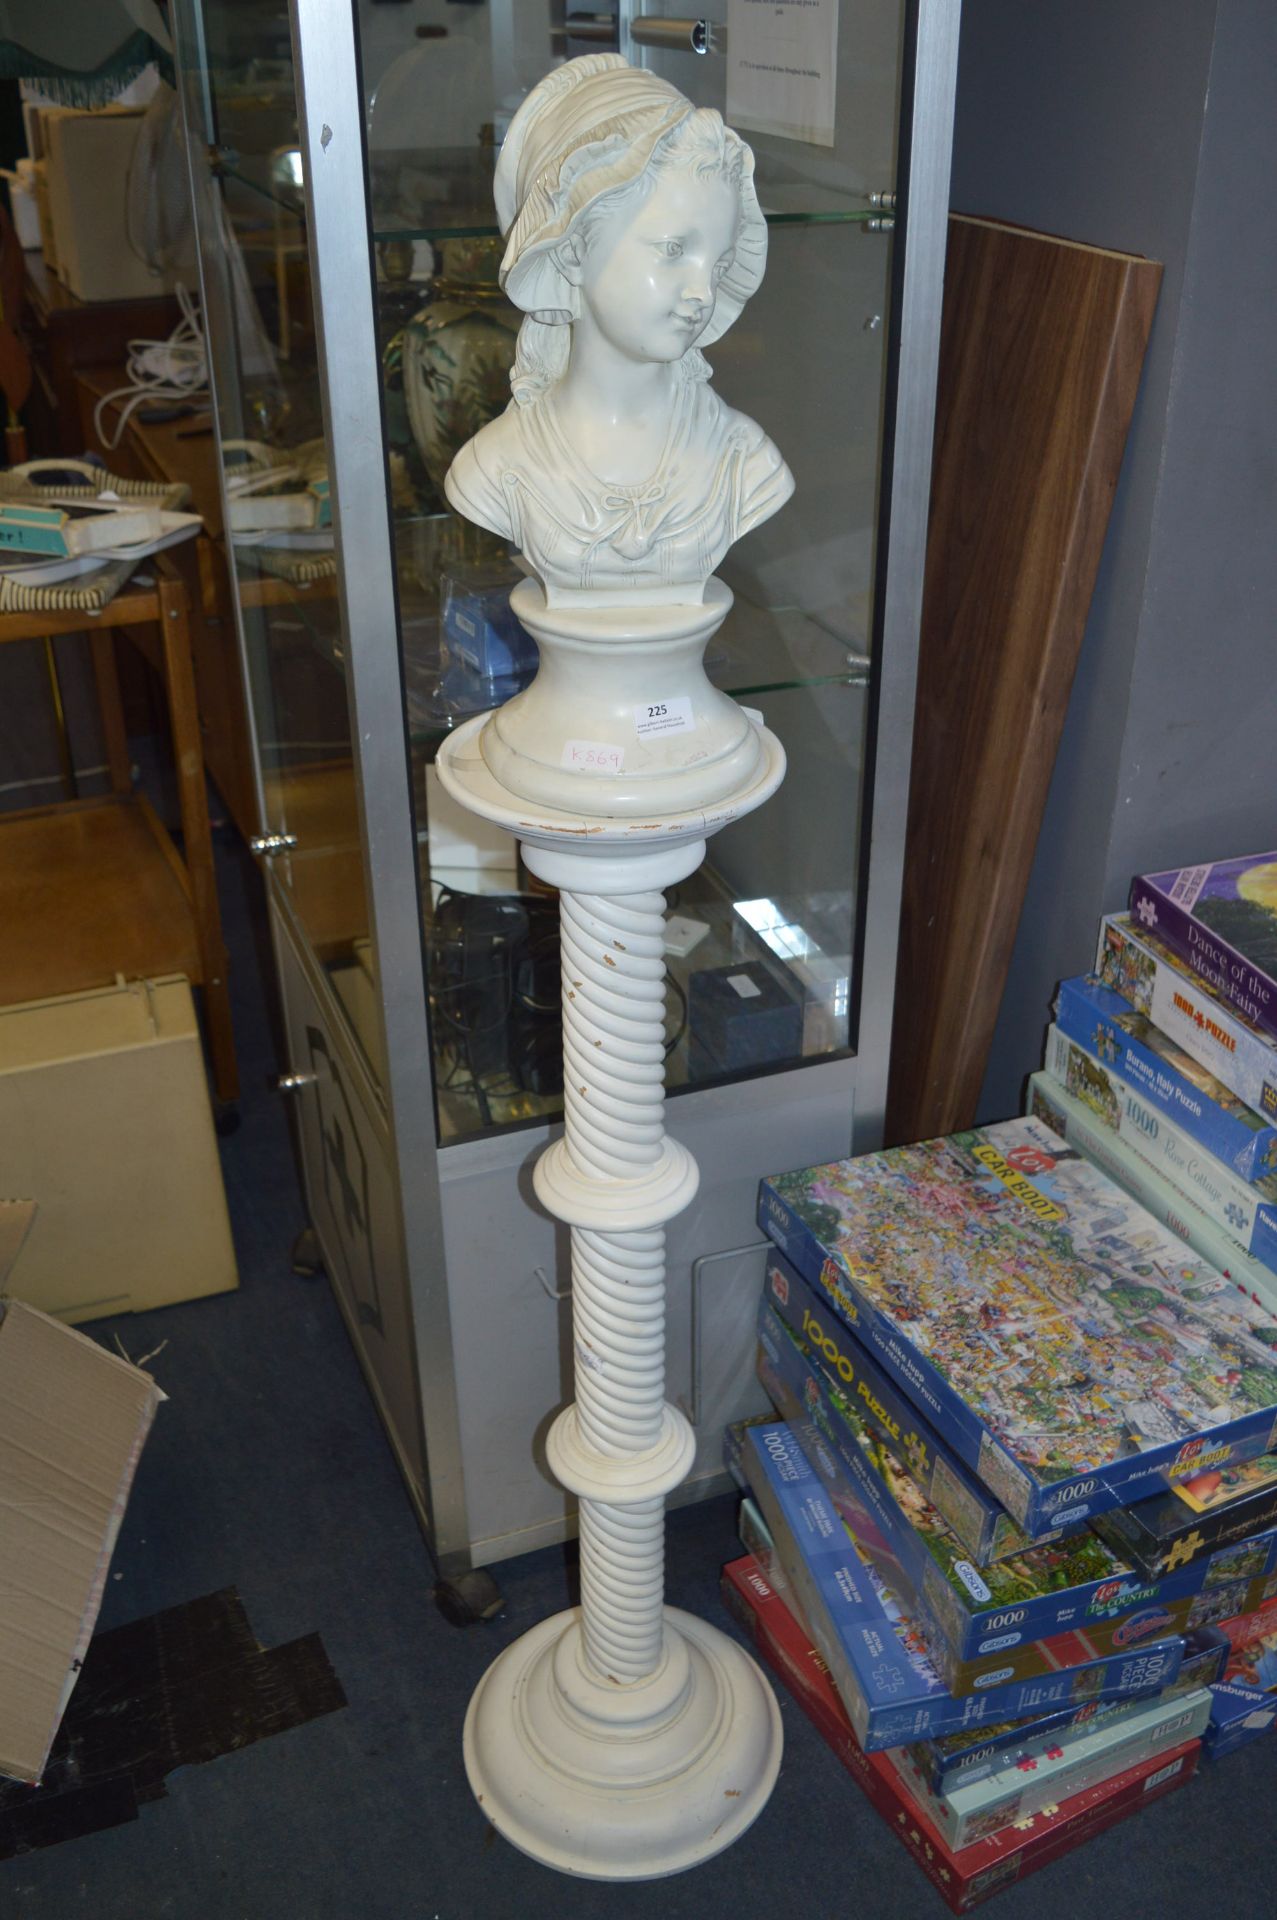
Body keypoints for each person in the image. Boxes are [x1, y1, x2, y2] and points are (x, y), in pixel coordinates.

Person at [445, 54, 793, 607]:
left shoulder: (745, 461)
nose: (702, 292)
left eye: (719, 265)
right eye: (673, 250)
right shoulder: (495, 468)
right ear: (576, 248)